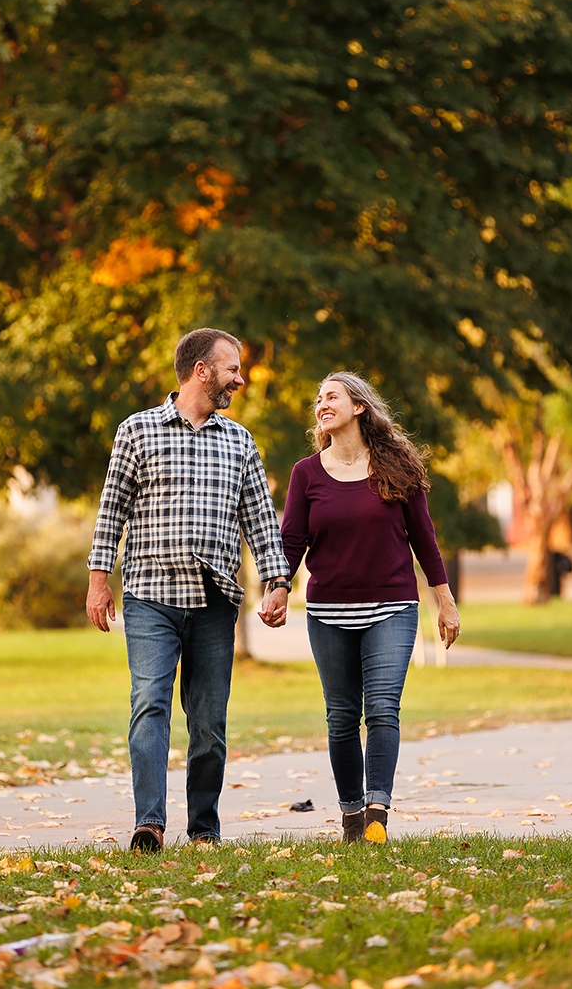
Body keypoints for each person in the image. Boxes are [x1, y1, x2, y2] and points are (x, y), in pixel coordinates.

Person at [86, 329, 290, 851]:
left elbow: (259, 517)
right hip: (151, 594)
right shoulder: (137, 431)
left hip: (215, 601)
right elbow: (113, 511)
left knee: (208, 720)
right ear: (201, 370)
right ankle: (149, 824)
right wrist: (98, 581)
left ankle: (203, 827)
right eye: (232, 369)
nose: (240, 379)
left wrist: (277, 580)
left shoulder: (239, 440)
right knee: (148, 703)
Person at [281, 372, 460, 845]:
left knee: (382, 709)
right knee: (341, 716)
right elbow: (291, 542)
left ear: (358, 407)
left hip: (392, 605)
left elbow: (424, 539)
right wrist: (277, 587)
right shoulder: (306, 474)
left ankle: (378, 812)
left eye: (332, 395)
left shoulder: (396, 465)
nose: (322, 403)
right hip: (328, 612)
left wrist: (445, 601)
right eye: (318, 397)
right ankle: (351, 815)